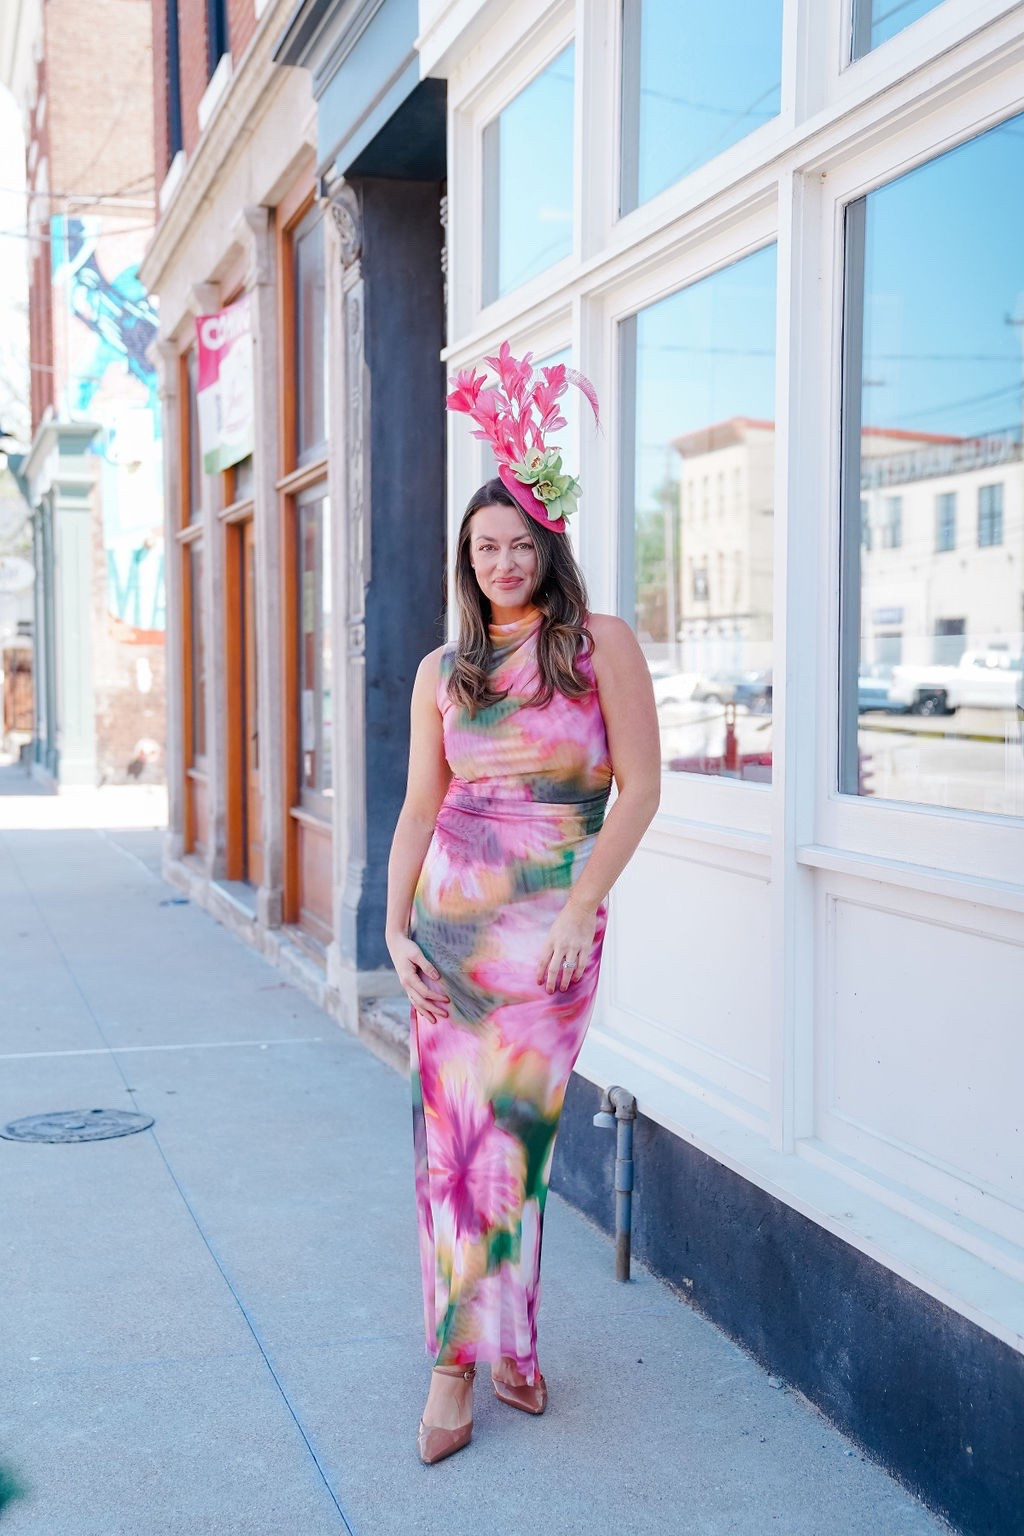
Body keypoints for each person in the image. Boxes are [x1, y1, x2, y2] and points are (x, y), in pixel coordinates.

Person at [385, 343, 660, 1465]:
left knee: (515, 1142)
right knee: (450, 1139)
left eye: (517, 544)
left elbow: (640, 789)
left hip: (552, 928)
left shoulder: (601, 649)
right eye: (483, 547)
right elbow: (415, 809)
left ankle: (484, 1352)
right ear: (467, 558)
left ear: (550, 547)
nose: (501, 561)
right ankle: (482, 1357)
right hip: (448, 935)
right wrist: (392, 928)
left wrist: (579, 908)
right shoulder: (441, 669)